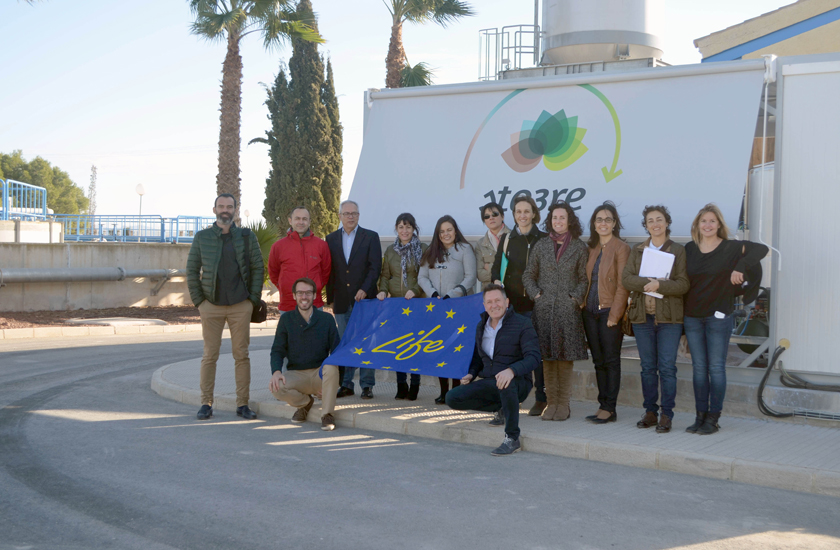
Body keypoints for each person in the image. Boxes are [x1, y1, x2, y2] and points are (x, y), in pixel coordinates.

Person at [683, 204, 768, 435]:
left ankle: (713, 419)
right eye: (704, 221)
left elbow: (761, 249)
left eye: (712, 221)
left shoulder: (731, 247)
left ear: (719, 224)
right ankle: (700, 417)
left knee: (716, 368)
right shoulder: (690, 249)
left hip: (718, 317)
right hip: (692, 317)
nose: (708, 225)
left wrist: (740, 266)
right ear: (697, 225)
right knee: (699, 369)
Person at [186, 193, 264, 421]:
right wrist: (200, 302)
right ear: (214, 209)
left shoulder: (247, 237)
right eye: (221, 206)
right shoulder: (202, 237)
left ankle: (242, 404)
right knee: (210, 355)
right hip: (211, 305)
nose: (225, 210)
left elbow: (258, 268)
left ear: (235, 210)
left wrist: (252, 300)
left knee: (242, 356)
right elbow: (191, 270)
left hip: (241, 305)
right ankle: (205, 403)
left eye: (229, 206)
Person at [445, 284, 541, 456]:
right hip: (491, 380)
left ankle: (512, 438)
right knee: (452, 398)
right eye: (489, 302)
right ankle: (502, 407)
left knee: (506, 383)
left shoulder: (523, 324)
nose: (494, 305)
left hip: (518, 382)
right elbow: (478, 358)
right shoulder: (481, 326)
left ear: (507, 302)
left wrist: (511, 370)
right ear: (484, 305)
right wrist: (471, 374)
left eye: (498, 300)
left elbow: (534, 357)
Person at [621, 205, 689, 434]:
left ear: (667, 223)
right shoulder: (638, 250)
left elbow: (683, 284)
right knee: (648, 367)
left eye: (659, 219)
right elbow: (627, 279)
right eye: (650, 221)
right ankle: (650, 412)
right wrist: (649, 282)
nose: (655, 224)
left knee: (667, 368)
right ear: (646, 226)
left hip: (669, 319)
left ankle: (666, 414)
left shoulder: (678, 250)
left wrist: (660, 285)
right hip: (643, 317)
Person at [522, 201, 589, 421]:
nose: (558, 221)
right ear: (550, 221)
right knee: (547, 359)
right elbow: (528, 275)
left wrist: (574, 299)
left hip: (567, 311)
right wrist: (537, 295)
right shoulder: (541, 245)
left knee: (565, 359)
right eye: (554, 217)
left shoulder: (579, 247)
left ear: (570, 220)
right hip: (544, 311)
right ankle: (551, 404)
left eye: (562, 217)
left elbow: (584, 279)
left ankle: (563, 405)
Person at [491, 195, 547, 416]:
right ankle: (513, 398)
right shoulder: (506, 239)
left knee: (536, 354)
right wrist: (497, 281)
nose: (522, 215)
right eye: (518, 211)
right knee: (512, 355)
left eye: (526, 211)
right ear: (513, 215)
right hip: (512, 307)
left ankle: (541, 398)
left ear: (534, 213)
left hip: (537, 306)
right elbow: (496, 269)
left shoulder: (544, 239)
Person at [326, 200, 382, 400]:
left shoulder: (371, 237)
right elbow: (330, 271)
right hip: (341, 301)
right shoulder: (330, 239)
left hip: (365, 301)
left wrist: (365, 289)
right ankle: (346, 384)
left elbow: (375, 267)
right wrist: (330, 299)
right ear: (340, 216)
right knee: (345, 344)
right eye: (347, 213)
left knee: (367, 342)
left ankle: (367, 385)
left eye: (354, 213)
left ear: (359, 215)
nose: (350, 216)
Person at [418, 215, 477, 404]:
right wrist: (433, 293)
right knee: (441, 350)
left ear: (455, 230)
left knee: (456, 350)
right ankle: (443, 391)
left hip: (458, 307)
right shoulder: (430, 251)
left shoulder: (465, 249)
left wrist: (453, 294)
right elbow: (422, 277)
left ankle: (456, 390)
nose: (446, 234)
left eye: (449, 230)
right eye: (442, 231)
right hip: (437, 308)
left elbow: (471, 277)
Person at [269, 277, 341, 431]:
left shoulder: (326, 319)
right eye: (300, 293)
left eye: (308, 293)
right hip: (297, 375)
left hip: (319, 374)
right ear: (294, 295)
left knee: (331, 366)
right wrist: (276, 372)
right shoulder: (286, 319)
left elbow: (337, 351)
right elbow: (277, 350)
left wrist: (336, 384)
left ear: (314, 295)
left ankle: (327, 415)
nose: (304, 297)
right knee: (276, 386)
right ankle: (305, 403)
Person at [583, 202, 631, 424]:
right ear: (594, 224)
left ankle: (610, 408)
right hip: (590, 312)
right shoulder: (591, 248)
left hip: (609, 311)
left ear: (614, 223)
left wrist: (615, 315)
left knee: (611, 360)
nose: (603, 223)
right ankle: (602, 404)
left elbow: (623, 285)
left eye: (608, 219)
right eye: (599, 219)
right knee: (598, 361)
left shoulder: (621, 248)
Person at [377, 213, 428, 400]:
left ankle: (415, 384)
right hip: (396, 305)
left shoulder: (422, 248)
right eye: (401, 227)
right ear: (396, 229)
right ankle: (401, 384)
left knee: (414, 345)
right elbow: (385, 275)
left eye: (408, 227)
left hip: (415, 303)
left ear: (414, 229)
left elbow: (425, 275)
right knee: (399, 345)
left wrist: (415, 290)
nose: (404, 230)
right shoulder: (391, 250)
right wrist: (383, 291)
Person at [267, 206, 331, 313]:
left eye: (304, 219)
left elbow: (326, 272)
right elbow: (273, 272)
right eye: (297, 218)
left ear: (309, 222)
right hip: (288, 304)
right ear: (290, 221)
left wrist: (317, 287)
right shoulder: (278, 246)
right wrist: (284, 288)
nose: (301, 222)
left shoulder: (321, 245)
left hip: (314, 304)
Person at [475, 202, 510, 289]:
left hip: (511, 290)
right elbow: (480, 275)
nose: (491, 218)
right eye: (487, 216)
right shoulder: (480, 244)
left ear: (502, 216)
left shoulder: (514, 237)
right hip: (489, 292)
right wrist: (503, 271)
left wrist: (489, 266)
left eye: (495, 214)